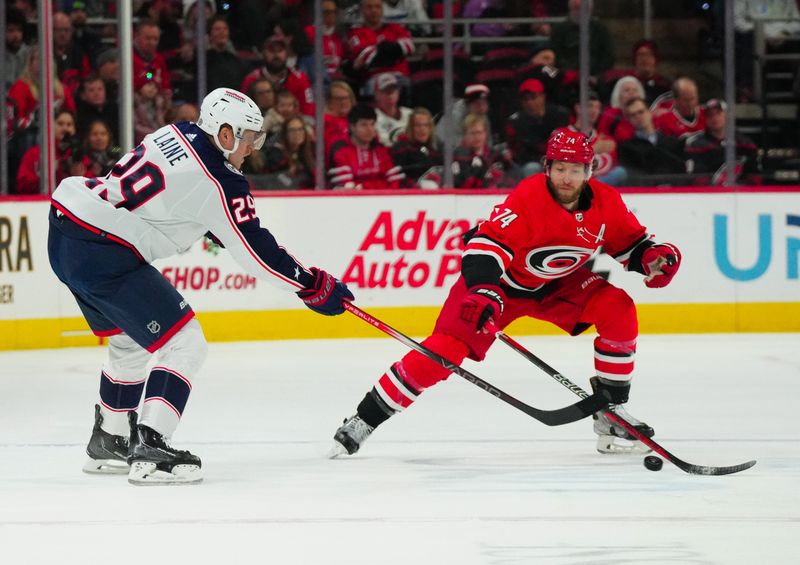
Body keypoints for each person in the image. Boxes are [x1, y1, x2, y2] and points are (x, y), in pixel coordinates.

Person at [47, 88, 354, 485]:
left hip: (67, 229)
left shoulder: (177, 131)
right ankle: (153, 446)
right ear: (224, 134)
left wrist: (210, 222)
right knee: (185, 343)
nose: (251, 147)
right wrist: (313, 285)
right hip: (105, 249)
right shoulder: (223, 181)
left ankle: (111, 436)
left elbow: (174, 195)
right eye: (247, 137)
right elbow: (257, 253)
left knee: (127, 340)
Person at [329, 127, 682, 458]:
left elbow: (631, 244)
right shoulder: (529, 197)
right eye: (560, 168)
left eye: (575, 170)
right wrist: (484, 289)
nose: (566, 178)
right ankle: (364, 420)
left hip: (557, 285)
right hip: (498, 287)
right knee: (442, 352)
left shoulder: (606, 202)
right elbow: (486, 246)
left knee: (618, 309)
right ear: (547, 167)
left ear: (590, 171)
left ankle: (612, 415)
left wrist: (653, 259)